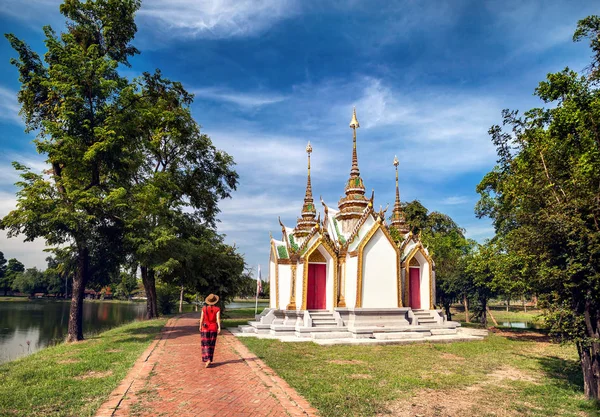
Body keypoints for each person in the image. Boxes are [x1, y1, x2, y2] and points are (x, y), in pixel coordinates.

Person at [199, 293, 221, 368]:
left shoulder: (204, 308)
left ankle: (207, 358)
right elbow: (218, 319)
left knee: (205, 344)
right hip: (213, 328)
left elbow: (201, 318)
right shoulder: (217, 309)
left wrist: (200, 326)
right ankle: (209, 359)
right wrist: (219, 327)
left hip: (205, 327)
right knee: (211, 344)